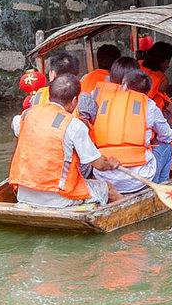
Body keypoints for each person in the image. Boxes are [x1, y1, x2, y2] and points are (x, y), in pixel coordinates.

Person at [10, 73, 121, 208]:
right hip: (59, 197)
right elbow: (99, 165)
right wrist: (111, 164)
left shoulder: (26, 115)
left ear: (49, 94)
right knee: (107, 188)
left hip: (24, 193)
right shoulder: (73, 125)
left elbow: (14, 123)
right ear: (75, 100)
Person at [92, 70, 172, 191]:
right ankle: (162, 190)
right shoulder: (149, 105)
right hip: (138, 180)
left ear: (124, 85)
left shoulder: (103, 101)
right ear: (146, 93)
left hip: (103, 177)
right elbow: (167, 136)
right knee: (167, 148)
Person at [140, 41, 172, 113]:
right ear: (166, 62)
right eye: (168, 63)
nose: (168, 66)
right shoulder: (163, 80)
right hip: (147, 112)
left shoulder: (137, 64)